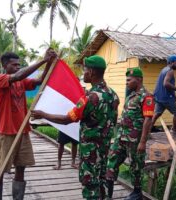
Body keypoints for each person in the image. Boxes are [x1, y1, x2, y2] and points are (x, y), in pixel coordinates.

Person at [32, 55, 119, 199]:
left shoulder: (89, 98)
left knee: (90, 186)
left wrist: (43, 114)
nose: (83, 73)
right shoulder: (113, 95)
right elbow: (113, 121)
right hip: (104, 151)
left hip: (90, 153)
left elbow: (67, 119)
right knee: (102, 184)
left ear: (91, 72)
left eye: (85, 69)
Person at [0, 49, 56, 200]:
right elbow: (19, 75)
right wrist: (42, 60)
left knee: (21, 167)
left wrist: (50, 63)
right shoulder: (0, 79)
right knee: (1, 168)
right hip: (7, 131)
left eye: (19, 65)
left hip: (23, 130)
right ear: (6, 66)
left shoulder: (21, 82)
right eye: (14, 65)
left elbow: (40, 80)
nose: (17, 67)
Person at [106, 67, 155, 200]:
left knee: (136, 166)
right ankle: (106, 193)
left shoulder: (147, 97)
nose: (126, 82)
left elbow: (148, 119)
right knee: (111, 162)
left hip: (135, 140)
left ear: (138, 80)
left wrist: (143, 142)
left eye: (129, 80)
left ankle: (137, 192)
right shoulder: (130, 96)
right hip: (121, 138)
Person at [151, 55, 176, 135]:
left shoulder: (164, 69)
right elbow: (166, 84)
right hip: (167, 97)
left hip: (159, 97)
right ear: (171, 62)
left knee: (157, 114)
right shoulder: (170, 71)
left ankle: (147, 130)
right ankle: (174, 131)